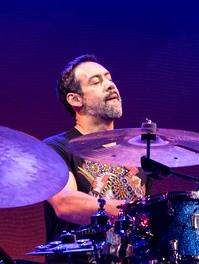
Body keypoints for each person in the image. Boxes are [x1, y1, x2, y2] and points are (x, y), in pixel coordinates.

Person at [42, 55, 149, 240]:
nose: (110, 85)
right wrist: (131, 211)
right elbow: (65, 203)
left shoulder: (137, 157)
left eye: (109, 77)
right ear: (75, 99)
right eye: (96, 82)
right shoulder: (56, 148)